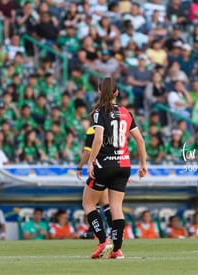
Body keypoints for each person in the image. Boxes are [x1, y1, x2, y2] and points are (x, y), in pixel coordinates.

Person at [82, 77, 147, 259]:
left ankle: (103, 241)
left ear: (99, 92)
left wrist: (90, 161)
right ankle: (117, 250)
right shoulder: (127, 113)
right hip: (124, 164)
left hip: (104, 163)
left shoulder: (99, 112)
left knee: (88, 203)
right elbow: (140, 140)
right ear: (117, 93)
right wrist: (143, 164)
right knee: (116, 207)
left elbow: (98, 138)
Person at [76, 124, 112, 234]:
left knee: (90, 202)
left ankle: (97, 231)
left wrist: (80, 166)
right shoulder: (111, 128)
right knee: (104, 201)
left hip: (98, 167)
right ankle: (113, 229)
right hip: (111, 165)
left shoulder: (93, 130)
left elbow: (88, 152)